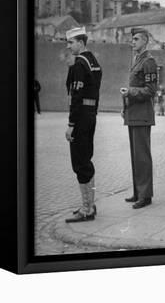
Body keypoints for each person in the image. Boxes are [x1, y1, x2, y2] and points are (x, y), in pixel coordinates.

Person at [64, 27, 102, 223]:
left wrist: (71, 124)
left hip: (80, 118)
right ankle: (90, 204)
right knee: (86, 159)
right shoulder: (93, 61)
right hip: (90, 115)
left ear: (81, 42)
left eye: (71, 42)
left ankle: (87, 209)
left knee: (80, 163)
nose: (68, 46)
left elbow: (76, 97)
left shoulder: (80, 64)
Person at [120, 28, 157, 209]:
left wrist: (131, 92)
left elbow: (151, 91)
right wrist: (124, 107)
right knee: (136, 156)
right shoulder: (136, 60)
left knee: (142, 156)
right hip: (133, 113)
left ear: (145, 41)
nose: (132, 42)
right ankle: (138, 191)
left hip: (142, 115)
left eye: (136, 39)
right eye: (132, 39)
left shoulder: (149, 62)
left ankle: (145, 195)